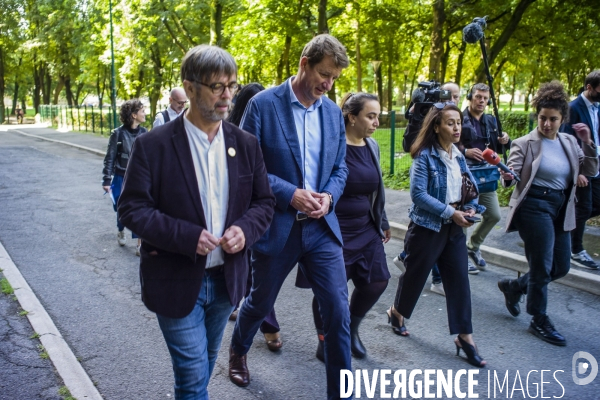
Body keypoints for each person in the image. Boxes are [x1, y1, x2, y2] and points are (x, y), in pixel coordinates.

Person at [117, 45, 275, 399]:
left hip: (225, 280)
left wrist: (244, 230)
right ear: (190, 88)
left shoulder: (245, 144)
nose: (227, 95)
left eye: (231, 85)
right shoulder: (153, 146)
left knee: (203, 366)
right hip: (174, 278)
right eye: (217, 86)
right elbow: (131, 209)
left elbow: (264, 202)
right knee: (192, 372)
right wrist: (187, 236)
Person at [229, 34, 351, 399]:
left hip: (321, 229)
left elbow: (341, 168)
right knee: (259, 303)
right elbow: (247, 169)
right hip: (277, 227)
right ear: (304, 63)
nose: (328, 85)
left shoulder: (331, 111)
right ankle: (237, 351)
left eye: (334, 79)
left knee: (338, 312)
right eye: (324, 74)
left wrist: (329, 197)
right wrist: (290, 194)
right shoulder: (263, 105)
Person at [496, 81, 597, 346]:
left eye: (553, 119)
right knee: (542, 265)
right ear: (537, 116)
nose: (547, 124)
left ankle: (514, 287)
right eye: (542, 118)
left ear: (562, 119)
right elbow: (512, 173)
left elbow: (592, 170)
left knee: (561, 266)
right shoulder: (524, 143)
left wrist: (588, 143)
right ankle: (538, 319)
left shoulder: (570, 142)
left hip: (562, 207)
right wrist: (506, 175)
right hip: (534, 207)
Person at [387, 102, 487, 368]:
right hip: (427, 228)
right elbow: (418, 195)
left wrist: (469, 208)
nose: (457, 128)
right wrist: (449, 212)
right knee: (415, 277)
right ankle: (396, 313)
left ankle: (465, 337)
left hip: (454, 228)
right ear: (437, 126)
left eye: (458, 122)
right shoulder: (425, 156)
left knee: (458, 281)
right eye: (450, 123)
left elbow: (471, 189)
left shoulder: (459, 155)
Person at [302, 92, 391, 361]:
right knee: (331, 291)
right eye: (371, 116)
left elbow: (377, 191)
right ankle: (325, 338)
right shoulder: (332, 146)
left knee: (377, 281)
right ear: (352, 117)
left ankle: (349, 330)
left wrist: (383, 221)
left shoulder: (372, 146)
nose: (376, 122)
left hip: (366, 227)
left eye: (378, 116)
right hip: (333, 229)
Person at [226, 82, 282, 352]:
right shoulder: (233, 135)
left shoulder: (272, 129)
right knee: (253, 270)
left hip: (264, 206)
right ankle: (268, 324)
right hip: (241, 210)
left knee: (255, 269)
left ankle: (241, 305)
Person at [393, 82, 462, 297]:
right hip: (430, 189)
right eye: (447, 95)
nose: (451, 100)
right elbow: (409, 146)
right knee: (425, 242)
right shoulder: (425, 116)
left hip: (449, 190)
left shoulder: (455, 123)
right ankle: (427, 276)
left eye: (456, 96)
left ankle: (409, 258)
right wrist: (416, 111)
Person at [459, 83, 510, 274]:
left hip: (486, 176)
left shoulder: (490, 121)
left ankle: (473, 247)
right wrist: (466, 150)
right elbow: (449, 143)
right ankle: (460, 256)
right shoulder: (459, 118)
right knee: (465, 217)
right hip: (465, 176)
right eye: (478, 97)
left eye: (485, 98)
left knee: (494, 215)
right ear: (470, 97)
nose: (481, 101)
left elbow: (500, 149)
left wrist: (505, 140)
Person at [560, 70, 600, 270]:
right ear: (589, 87)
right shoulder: (573, 108)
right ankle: (575, 249)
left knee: (593, 206)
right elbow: (566, 141)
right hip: (582, 169)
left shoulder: (597, 108)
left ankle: (565, 224)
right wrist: (578, 172)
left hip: (596, 165)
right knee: (583, 208)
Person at [102, 99, 147, 255]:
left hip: (139, 178)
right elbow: (110, 157)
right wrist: (106, 179)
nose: (145, 113)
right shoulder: (118, 134)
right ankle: (121, 229)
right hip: (121, 176)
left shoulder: (144, 133)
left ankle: (140, 244)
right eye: (142, 111)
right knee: (120, 208)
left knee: (139, 208)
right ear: (134, 115)